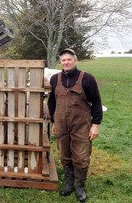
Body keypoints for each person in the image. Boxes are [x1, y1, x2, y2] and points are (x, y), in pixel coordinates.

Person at [48, 48, 103, 202]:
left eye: (69, 59)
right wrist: (53, 121)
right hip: (61, 124)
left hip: (81, 125)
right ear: (61, 62)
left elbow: (97, 102)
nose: (66, 62)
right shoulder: (55, 79)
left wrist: (96, 124)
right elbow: (51, 102)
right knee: (65, 155)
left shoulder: (87, 79)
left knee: (81, 156)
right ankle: (69, 184)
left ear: (75, 60)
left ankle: (79, 187)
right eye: (63, 60)